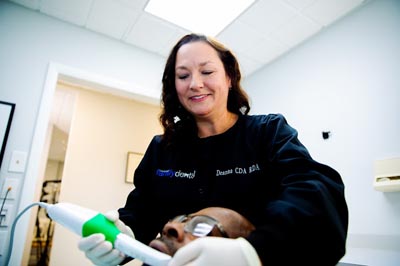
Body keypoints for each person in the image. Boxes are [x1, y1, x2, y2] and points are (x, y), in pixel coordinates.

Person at [78, 33, 348, 266]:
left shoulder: (267, 132)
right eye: (183, 75)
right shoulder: (162, 148)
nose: (195, 83)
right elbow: (140, 214)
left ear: (229, 77)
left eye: (207, 72)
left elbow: (315, 193)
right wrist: (122, 240)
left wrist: (254, 252)